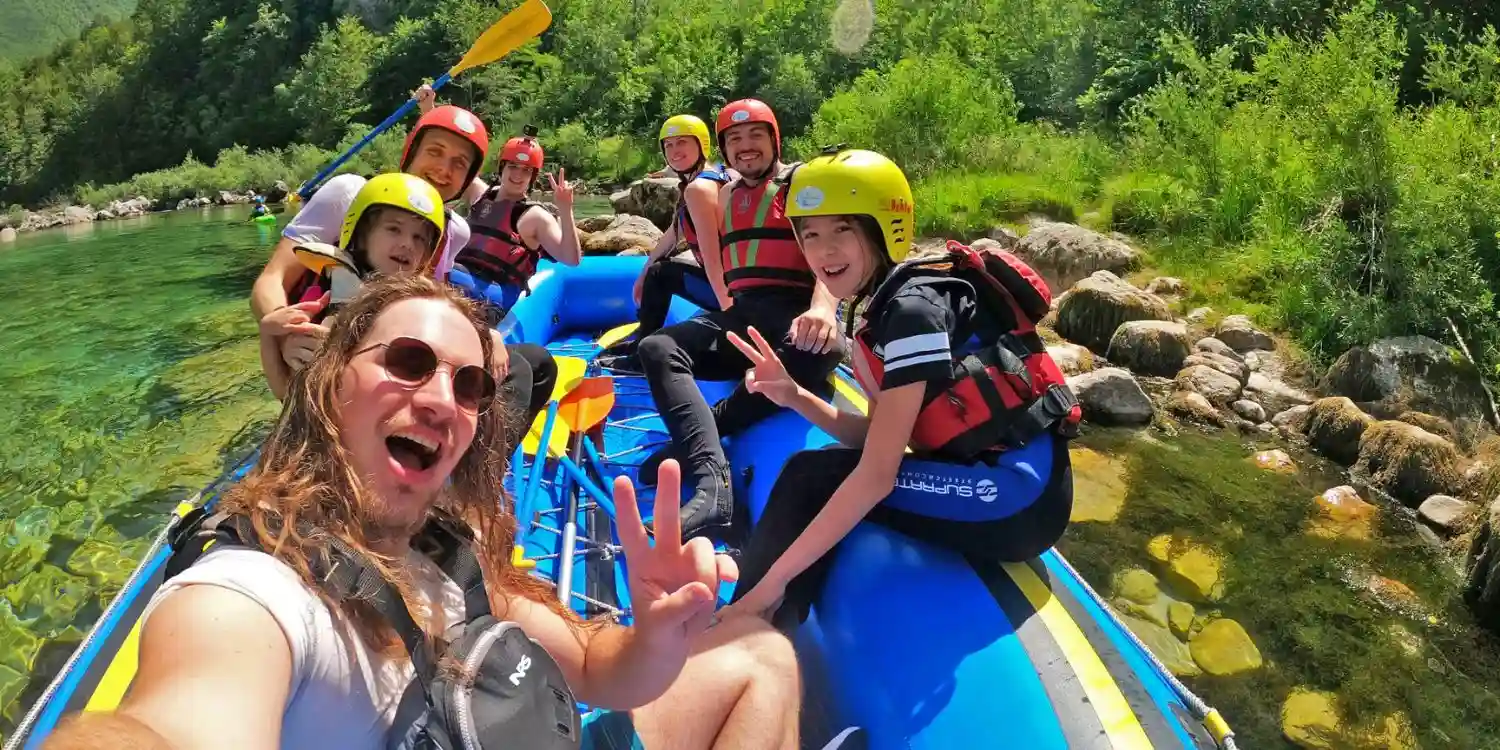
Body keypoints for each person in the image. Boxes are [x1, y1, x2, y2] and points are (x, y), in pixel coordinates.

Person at [43, 275, 804, 750]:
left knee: (763, 658)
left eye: (469, 385)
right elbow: (173, 724)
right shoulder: (249, 597)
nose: (443, 399)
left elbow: (600, 668)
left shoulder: (443, 548)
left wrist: (658, 638)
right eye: (408, 362)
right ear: (329, 384)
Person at [712, 149, 1080, 626]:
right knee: (820, 468)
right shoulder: (888, 302)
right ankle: (775, 616)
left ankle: (749, 618)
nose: (824, 251)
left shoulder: (912, 312)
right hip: (991, 477)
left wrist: (768, 586)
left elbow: (876, 475)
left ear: (885, 229)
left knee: (812, 474)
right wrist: (792, 394)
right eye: (810, 234)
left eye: (842, 230)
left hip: (1016, 499)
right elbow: (876, 436)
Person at [251, 92, 558, 440]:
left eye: (459, 163)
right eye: (435, 151)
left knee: (536, 363)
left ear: (468, 177)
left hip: (399, 345)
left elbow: (432, 298)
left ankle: (466, 461)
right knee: (517, 369)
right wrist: (287, 333)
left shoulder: (453, 230)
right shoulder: (350, 193)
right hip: (339, 349)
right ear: (411, 150)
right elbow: (272, 280)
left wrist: (483, 333)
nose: (444, 169)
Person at [635, 99, 843, 543]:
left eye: (755, 136)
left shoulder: (802, 184)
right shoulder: (726, 195)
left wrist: (824, 307)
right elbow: (704, 251)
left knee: (822, 349)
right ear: (725, 149)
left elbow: (831, 257)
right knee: (657, 347)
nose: (745, 146)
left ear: (775, 140)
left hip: (795, 312)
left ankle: (696, 442)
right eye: (735, 139)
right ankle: (714, 484)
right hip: (743, 315)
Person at [257, 172, 447, 400]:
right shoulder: (322, 298)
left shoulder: (424, 309)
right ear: (362, 234)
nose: (407, 243)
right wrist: (272, 336)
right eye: (394, 229)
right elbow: (285, 393)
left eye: (419, 238)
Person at [600, 114, 734, 366]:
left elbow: (713, 258)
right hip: (734, 286)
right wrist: (644, 272)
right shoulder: (716, 174)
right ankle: (642, 341)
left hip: (728, 293)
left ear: (701, 145)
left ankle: (641, 359)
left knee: (661, 274)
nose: (674, 151)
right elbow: (674, 233)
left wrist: (731, 315)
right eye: (669, 145)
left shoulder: (698, 189)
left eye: (682, 142)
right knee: (655, 270)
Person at [449, 127, 583, 321]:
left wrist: (565, 208)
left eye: (526, 170)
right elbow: (455, 162)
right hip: (461, 277)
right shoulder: (480, 195)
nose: (518, 175)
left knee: (445, 273)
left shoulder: (535, 217)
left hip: (495, 295)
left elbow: (571, 259)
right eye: (513, 166)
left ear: (532, 177)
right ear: (502, 168)